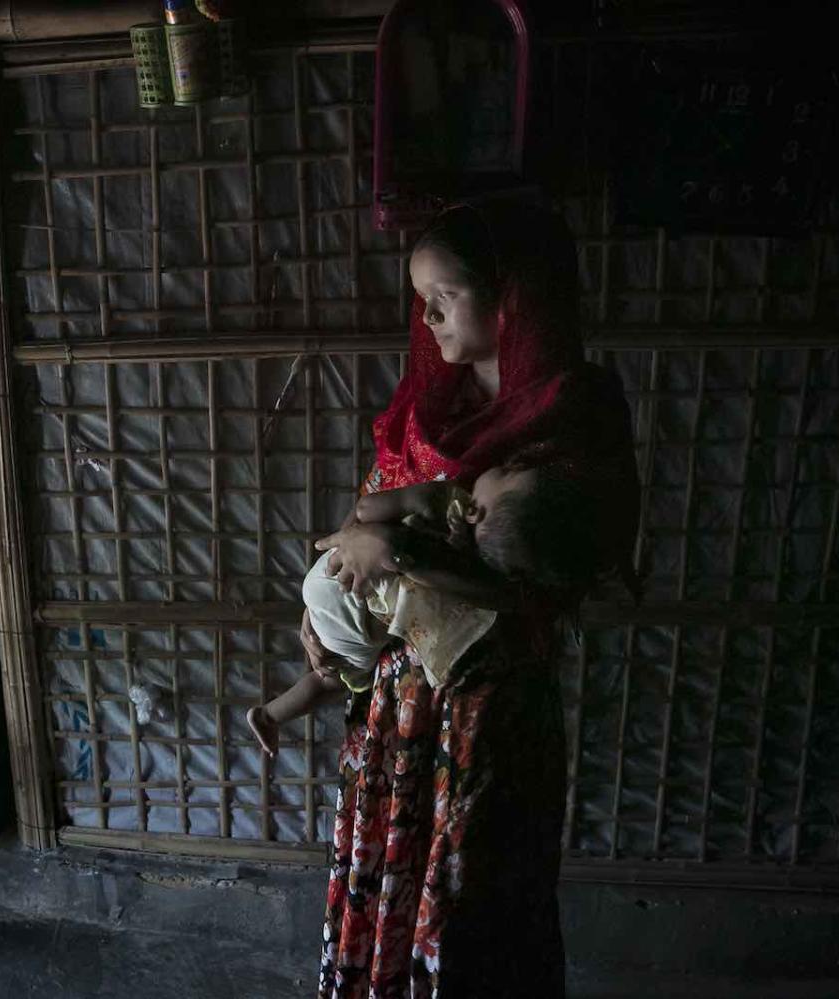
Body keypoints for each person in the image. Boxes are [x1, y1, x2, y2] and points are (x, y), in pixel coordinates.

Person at [309, 200, 640, 998]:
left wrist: (398, 554)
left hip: (490, 712)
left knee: (472, 900)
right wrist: (325, 604)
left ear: (512, 296)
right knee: (393, 873)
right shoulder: (431, 405)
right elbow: (367, 517)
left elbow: (554, 589)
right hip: (399, 700)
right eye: (421, 300)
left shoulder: (578, 415)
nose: (427, 318)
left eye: (445, 297)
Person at [247, 461, 608, 756]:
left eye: (507, 473)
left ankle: (268, 715)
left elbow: (365, 509)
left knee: (332, 673)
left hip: (338, 584)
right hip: (358, 614)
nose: (505, 466)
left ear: (477, 511)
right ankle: (269, 715)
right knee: (329, 681)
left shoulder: (443, 502)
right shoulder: (474, 569)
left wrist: (411, 498)